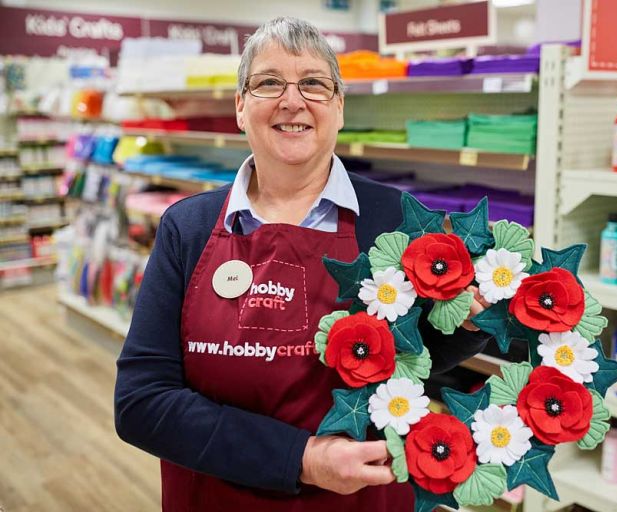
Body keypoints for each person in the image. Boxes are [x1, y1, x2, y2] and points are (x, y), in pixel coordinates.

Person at [114, 16, 491, 512]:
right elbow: (141, 403)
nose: (292, 101)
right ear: (240, 108)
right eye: (269, 82)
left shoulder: (398, 219)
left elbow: (410, 357)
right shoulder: (187, 228)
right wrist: (302, 459)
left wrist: (472, 321)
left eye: (313, 83)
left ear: (339, 106)